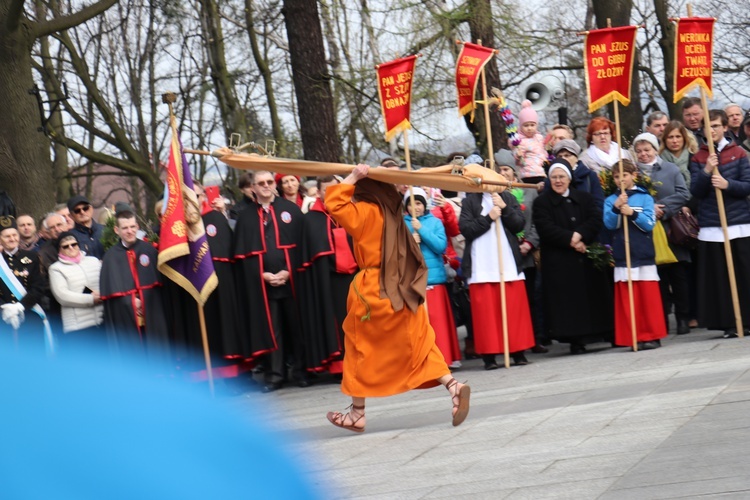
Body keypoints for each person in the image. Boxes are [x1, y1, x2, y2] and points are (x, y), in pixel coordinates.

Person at [323, 164, 470, 433]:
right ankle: (454, 386)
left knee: (358, 347)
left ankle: (357, 413)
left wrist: (352, 177)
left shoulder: (366, 211)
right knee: (420, 343)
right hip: (403, 287)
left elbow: (334, 203)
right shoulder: (394, 212)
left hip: (374, 289)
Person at [233, 170, 307, 392]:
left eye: (269, 182)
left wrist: (288, 271)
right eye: (260, 183)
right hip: (263, 285)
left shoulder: (291, 210)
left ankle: (302, 371)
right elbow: (242, 256)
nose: (266, 186)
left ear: (275, 185)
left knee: (297, 327)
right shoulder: (245, 217)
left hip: (292, 280)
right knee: (272, 330)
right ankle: (275, 375)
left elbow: (303, 247)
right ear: (253, 188)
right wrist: (262, 274)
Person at [533, 159, 612, 353]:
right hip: (560, 260)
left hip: (586, 254)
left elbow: (595, 218)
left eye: (562, 177)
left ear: (569, 179)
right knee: (569, 302)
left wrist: (580, 235)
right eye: (554, 177)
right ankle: (576, 340)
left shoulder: (584, 197)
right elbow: (545, 228)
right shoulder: (541, 202)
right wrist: (570, 239)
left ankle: (603, 332)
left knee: (595, 296)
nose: (558, 181)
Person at [459, 169, 535, 369]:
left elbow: (518, 224)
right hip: (482, 262)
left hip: (507, 262)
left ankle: (518, 351)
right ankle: (489, 356)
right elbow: (466, 229)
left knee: (513, 309)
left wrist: (505, 209)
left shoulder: (507, 198)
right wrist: (489, 217)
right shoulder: (469, 201)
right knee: (486, 313)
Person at [689, 109, 750, 338]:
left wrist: (728, 184)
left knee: (743, 274)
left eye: (716, 125)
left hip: (739, 223)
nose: (712, 130)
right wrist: (706, 171)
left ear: (725, 127)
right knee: (720, 278)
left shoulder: (739, 153)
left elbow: (747, 185)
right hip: (713, 225)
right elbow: (695, 191)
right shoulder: (698, 157)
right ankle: (729, 323)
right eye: (708, 126)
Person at [603, 160, 667, 350]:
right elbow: (609, 224)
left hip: (642, 252)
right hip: (624, 255)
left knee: (648, 298)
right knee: (629, 299)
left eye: (624, 175)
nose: (620, 179)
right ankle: (634, 336)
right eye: (616, 176)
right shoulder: (610, 200)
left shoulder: (645, 197)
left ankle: (652, 335)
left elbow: (649, 223)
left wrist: (631, 213)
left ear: (633, 176)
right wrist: (616, 207)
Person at [297, 175, 357, 376]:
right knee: (336, 323)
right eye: (327, 190)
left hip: (355, 277)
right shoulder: (311, 219)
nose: (331, 193)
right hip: (328, 281)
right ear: (319, 193)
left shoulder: (352, 212)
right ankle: (340, 366)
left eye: (335, 188)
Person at [632, 132, 691, 335]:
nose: (643, 154)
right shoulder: (633, 173)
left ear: (655, 150)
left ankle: (683, 318)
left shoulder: (670, 169)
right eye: (639, 151)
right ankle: (662, 319)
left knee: (678, 275)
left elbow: (683, 193)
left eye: (647, 150)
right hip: (646, 230)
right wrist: (647, 209)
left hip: (671, 228)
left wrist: (663, 208)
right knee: (659, 278)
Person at [100, 207, 170, 363]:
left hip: (152, 314)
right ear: (117, 230)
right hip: (127, 319)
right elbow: (111, 296)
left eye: (132, 227)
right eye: (125, 228)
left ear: (138, 227)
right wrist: (131, 301)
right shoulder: (110, 257)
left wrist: (144, 299)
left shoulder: (150, 251)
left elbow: (161, 288)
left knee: (156, 352)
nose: (129, 231)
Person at [496, 150, 547, 354]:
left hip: (526, 253)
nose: (504, 173)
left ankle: (535, 337)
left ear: (514, 171)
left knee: (532, 298)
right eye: (500, 170)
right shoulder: (495, 195)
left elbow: (537, 221)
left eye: (506, 169)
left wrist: (529, 243)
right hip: (507, 255)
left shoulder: (529, 192)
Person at [404, 188, 462, 369]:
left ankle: (444, 358)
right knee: (420, 324)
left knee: (438, 322)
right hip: (414, 281)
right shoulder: (400, 225)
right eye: (411, 204)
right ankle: (423, 361)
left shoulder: (434, 222)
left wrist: (422, 231)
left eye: (419, 203)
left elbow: (440, 246)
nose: (416, 208)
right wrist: (411, 242)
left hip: (434, 278)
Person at [0, 216, 51, 352]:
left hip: (29, 315)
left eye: (14, 235)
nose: (12, 239)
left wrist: (20, 306)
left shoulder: (32, 257)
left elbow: (38, 287)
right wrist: (5, 309)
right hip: (3, 319)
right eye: (7, 236)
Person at [48, 231, 104, 348]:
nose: (71, 248)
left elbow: (105, 281)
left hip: (102, 321)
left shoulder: (93, 261)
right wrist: (90, 299)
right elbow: (62, 295)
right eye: (66, 246)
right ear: (59, 249)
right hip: (78, 327)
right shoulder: (56, 269)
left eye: (74, 244)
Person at [550, 140, 605, 209]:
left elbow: (598, 204)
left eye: (567, 155)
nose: (563, 159)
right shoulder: (552, 178)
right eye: (560, 156)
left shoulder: (590, 176)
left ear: (576, 158)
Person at [510, 100, 548, 184]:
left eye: (532, 125)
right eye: (526, 125)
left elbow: (543, 151)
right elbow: (517, 158)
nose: (529, 128)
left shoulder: (539, 138)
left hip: (541, 172)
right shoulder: (520, 140)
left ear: (536, 125)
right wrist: (518, 155)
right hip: (527, 175)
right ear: (521, 126)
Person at [660, 120, 699, 187]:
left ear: (684, 138)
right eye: (670, 137)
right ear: (665, 139)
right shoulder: (659, 161)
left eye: (678, 136)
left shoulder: (694, 158)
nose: (675, 141)